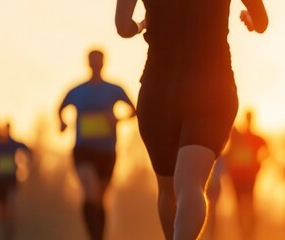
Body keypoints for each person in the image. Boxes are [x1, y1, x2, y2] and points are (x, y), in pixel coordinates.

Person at [115, 0, 268, 237]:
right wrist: (250, 21)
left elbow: (123, 26)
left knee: (167, 191)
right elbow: (262, 22)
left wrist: (140, 26)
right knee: (190, 184)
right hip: (212, 86)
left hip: (160, 89)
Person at [58, 50, 136, 240]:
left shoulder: (115, 89)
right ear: (88, 63)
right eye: (92, 61)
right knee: (91, 191)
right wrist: (62, 123)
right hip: (83, 151)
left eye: (99, 61)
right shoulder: (77, 90)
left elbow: (134, 111)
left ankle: (99, 236)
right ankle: (94, 236)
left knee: (100, 198)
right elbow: (61, 108)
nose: (96, 64)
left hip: (107, 152)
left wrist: (118, 118)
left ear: (104, 63)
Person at [224, 112, 269, 240]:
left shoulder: (256, 138)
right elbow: (229, 154)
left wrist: (259, 164)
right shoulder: (237, 136)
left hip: (249, 176)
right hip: (237, 176)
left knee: (249, 205)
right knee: (241, 206)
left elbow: (267, 152)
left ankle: (249, 234)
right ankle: (243, 234)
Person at [0, 122, 33, 240]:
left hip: (11, 180)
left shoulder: (13, 144)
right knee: (2, 209)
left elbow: (28, 150)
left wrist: (28, 166)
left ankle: (11, 230)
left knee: (12, 203)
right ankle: (4, 230)